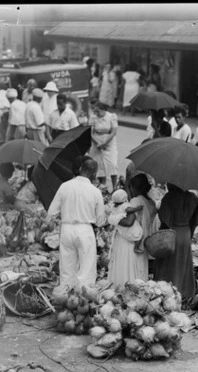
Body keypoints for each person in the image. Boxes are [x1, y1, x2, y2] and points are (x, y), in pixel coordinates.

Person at [47, 156, 106, 293]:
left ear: (80, 169)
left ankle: (65, 297)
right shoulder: (95, 191)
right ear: (94, 174)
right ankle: (81, 299)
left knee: (67, 268)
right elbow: (100, 221)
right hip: (85, 230)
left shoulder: (65, 186)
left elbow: (51, 213)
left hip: (67, 229)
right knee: (86, 270)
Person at [154, 184, 198, 299]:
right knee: (183, 264)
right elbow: (196, 220)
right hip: (186, 233)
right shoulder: (193, 198)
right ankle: (184, 293)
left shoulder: (169, 197)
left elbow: (165, 219)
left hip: (172, 233)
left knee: (168, 265)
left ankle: (168, 293)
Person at [107, 189, 144, 289]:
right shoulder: (126, 206)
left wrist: (115, 219)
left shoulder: (114, 207)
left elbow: (125, 221)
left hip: (121, 238)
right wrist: (137, 208)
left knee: (122, 262)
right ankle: (125, 286)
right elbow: (129, 222)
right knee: (125, 262)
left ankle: (119, 286)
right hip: (125, 240)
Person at [128, 174, 158, 279]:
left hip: (136, 238)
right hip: (146, 238)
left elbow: (130, 221)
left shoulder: (135, 201)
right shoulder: (152, 203)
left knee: (133, 268)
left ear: (134, 188)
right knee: (141, 267)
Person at [89, 100, 119, 191]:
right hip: (96, 141)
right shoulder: (93, 117)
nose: (96, 113)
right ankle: (102, 185)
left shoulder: (111, 117)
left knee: (113, 164)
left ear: (103, 110)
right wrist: (98, 143)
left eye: (98, 111)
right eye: (95, 111)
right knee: (99, 164)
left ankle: (114, 186)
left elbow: (113, 132)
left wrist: (105, 143)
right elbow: (90, 132)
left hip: (109, 142)